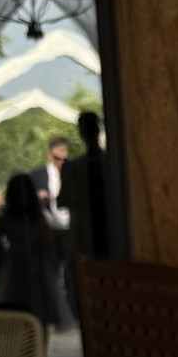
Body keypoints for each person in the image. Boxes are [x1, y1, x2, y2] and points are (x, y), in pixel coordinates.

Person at [0, 171, 68, 327]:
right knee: (38, 319)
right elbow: (51, 248)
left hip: (19, 272)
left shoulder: (6, 221)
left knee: (21, 320)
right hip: (35, 271)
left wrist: (0, 280)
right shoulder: (38, 219)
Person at [57, 109, 109, 287]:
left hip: (84, 238)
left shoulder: (73, 168)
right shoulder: (112, 162)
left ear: (81, 133)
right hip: (110, 236)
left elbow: (62, 200)